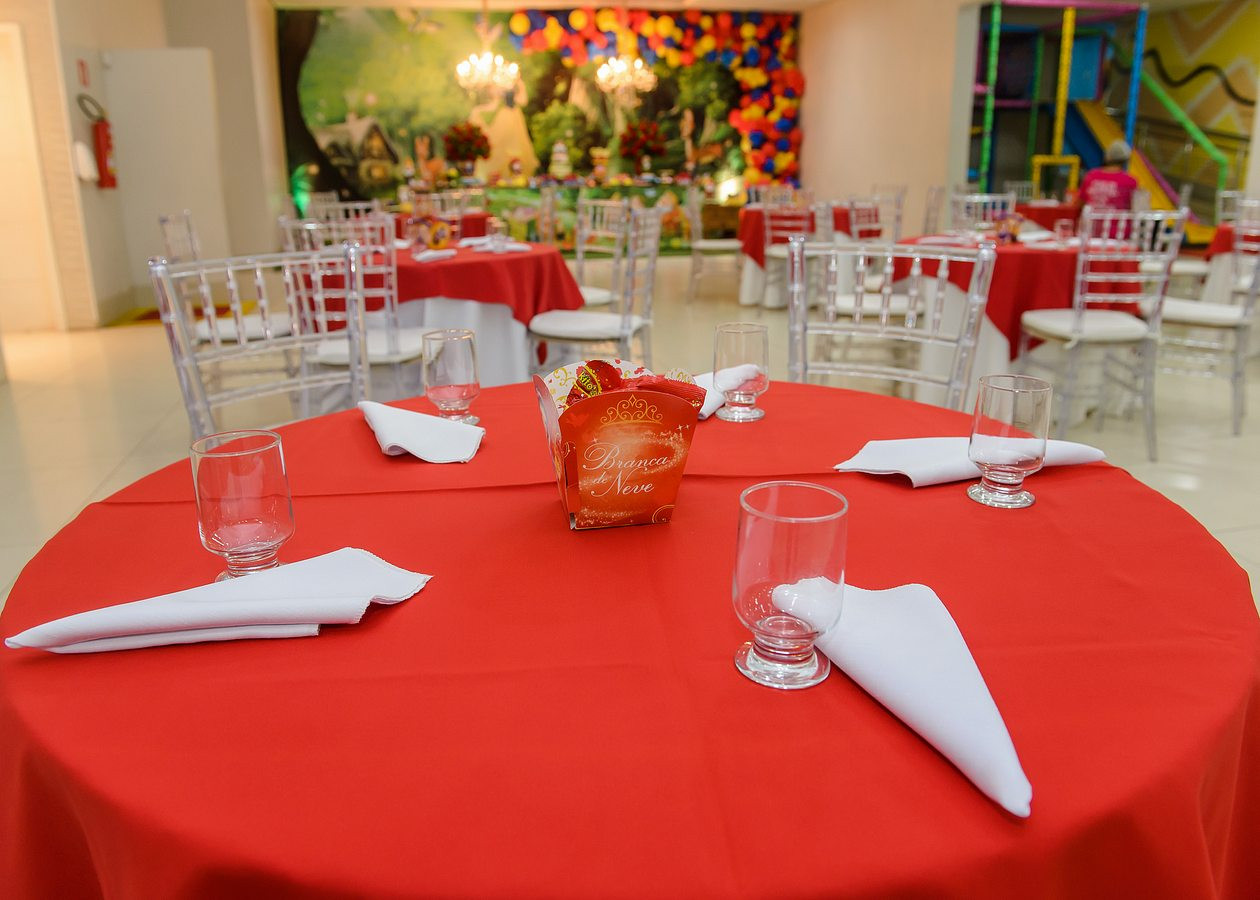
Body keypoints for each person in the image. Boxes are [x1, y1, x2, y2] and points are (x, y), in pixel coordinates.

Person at [1079, 139, 1139, 211]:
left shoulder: (1091, 175)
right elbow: (1135, 208)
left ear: (1107, 157)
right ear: (1126, 160)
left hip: (1090, 218)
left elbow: (1081, 202)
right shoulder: (1130, 181)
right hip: (1118, 218)